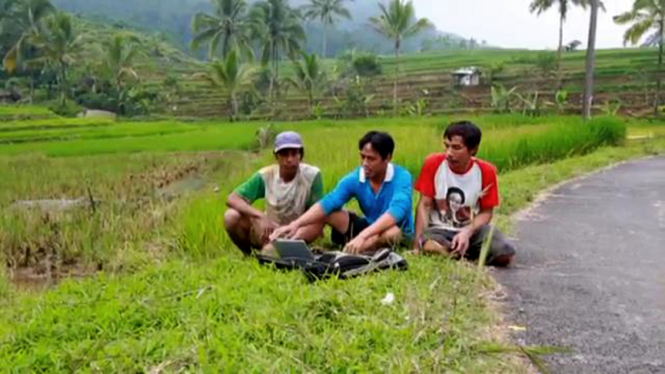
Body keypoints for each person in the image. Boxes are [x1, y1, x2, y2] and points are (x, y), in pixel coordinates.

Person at [271, 131, 414, 254]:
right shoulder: (356, 178)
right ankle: (292, 245)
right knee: (329, 212)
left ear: (387, 158)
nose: (365, 163)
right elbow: (329, 202)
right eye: (363, 157)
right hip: (370, 226)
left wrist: (363, 236)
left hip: (396, 232)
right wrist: (295, 224)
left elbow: (396, 213)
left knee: (392, 233)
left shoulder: (402, 177)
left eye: (371, 159)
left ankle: (354, 253)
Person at [413, 121, 516, 267]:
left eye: (456, 148)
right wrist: (417, 245)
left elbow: (486, 212)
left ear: (473, 150)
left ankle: (460, 250)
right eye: (447, 146)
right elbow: (424, 205)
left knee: (504, 254)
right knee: (430, 246)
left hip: (472, 229)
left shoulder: (486, 171)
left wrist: (468, 232)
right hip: (439, 229)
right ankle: (457, 254)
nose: (449, 153)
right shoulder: (433, 164)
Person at [224, 131, 324, 255]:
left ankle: (291, 245)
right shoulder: (266, 175)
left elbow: (318, 211)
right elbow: (233, 198)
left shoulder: (312, 176)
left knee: (318, 221)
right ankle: (248, 254)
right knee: (231, 216)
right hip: (270, 227)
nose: (289, 159)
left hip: (298, 228)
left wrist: (298, 230)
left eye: (294, 154)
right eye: (284, 154)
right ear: (276, 156)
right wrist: (260, 216)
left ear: (301, 155)